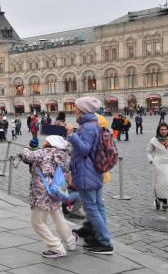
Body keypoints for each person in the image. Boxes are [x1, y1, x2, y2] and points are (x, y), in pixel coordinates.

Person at [65, 96, 113, 254]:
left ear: (83, 109)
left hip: (87, 173)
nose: (74, 109)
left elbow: (84, 149)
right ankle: (100, 237)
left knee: (92, 209)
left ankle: (105, 242)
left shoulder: (87, 127)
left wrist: (72, 135)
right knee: (98, 207)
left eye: (76, 107)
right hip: (94, 172)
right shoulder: (93, 124)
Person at [19, 135, 76, 258]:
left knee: (37, 222)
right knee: (58, 217)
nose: (44, 141)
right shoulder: (62, 155)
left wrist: (28, 146)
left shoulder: (43, 152)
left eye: (46, 140)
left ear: (50, 142)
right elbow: (67, 168)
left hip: (42, 192)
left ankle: (56, 247)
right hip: (55, 191)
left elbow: (26, 156)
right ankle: (71, 242)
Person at [147, 123, 168, 210]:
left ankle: (165, 200)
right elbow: (148, 151)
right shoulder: (154, 140)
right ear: (159, 131)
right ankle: (160, 200)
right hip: (158, 164)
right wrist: (151, 160)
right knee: (159, 183)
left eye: (165, 129)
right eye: (162, 130)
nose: (164, 131)